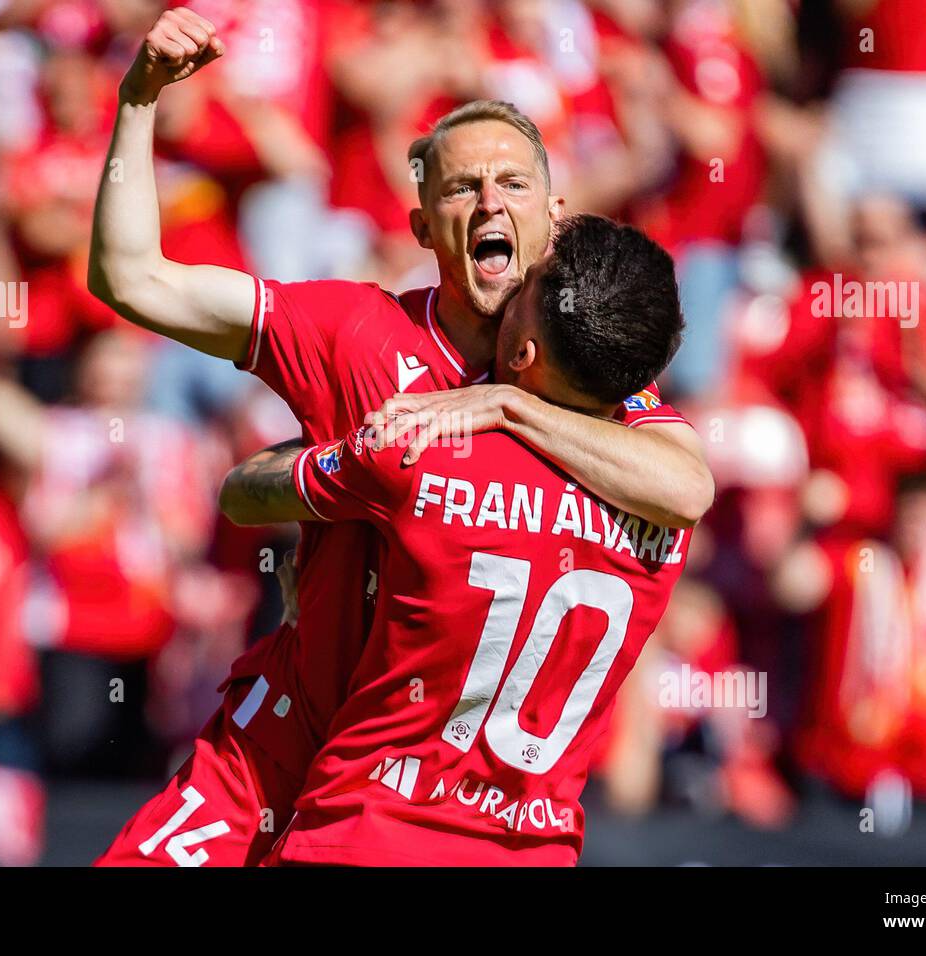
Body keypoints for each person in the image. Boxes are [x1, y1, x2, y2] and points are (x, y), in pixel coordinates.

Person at [90, 9, 712, 866]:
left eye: (513, 182)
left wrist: (499, 408)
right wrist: (138, 102)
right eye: (460, 187)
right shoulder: (354, 329)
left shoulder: (593, 378)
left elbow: (689, 488)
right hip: (280, 748)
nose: (490, 199)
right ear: (423, 229)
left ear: (555, 215)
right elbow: (131, 279)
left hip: (412, 803)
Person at [224, 215, 692, 864]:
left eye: (525, 282)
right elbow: (689, 479)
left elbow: (243, 493)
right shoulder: (662, 510)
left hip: (363, 837)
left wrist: (343, 457)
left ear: (524, 353)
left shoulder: (421, 454)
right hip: (531, 851)